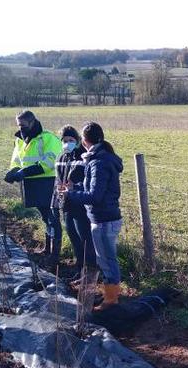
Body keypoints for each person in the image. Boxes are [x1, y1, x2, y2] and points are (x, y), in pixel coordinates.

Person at [61, 122, 123, 310]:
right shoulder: (99, 158)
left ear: (85, 141)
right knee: (106, 259)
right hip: (103, 217)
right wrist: (74, 188)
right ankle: (110, 295)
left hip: (104, 219)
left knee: (106, 260)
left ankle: (111, 300)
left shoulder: (98, 162)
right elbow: (92, 189)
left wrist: (70, 194)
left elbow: (95, 196)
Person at [3, 110, 62, 265]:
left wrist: (25, 171)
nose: (20, 127)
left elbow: (50, 162)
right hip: (31, 183)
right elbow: (17, 159)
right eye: (18, 125)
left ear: (32, 122)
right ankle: (48, 248)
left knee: (52, 218)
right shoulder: (20, 140)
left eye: (23, 124)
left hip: (48, 182)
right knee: (45, 218)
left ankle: (55, 254)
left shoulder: (48, 138)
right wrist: (13, 171)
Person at [53, 125, 97, 282]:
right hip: (65, 204)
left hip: (79, 204)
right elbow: (58, 180)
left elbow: (88, 181)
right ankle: (80, 271)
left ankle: (91, 274)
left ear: (78, 140)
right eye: (65, 140)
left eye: (71, 140)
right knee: (74, 238)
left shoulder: (83, 156)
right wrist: (58, 197)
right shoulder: (60, 158)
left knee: (85, 240)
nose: (67, 143)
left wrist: (74, 187)